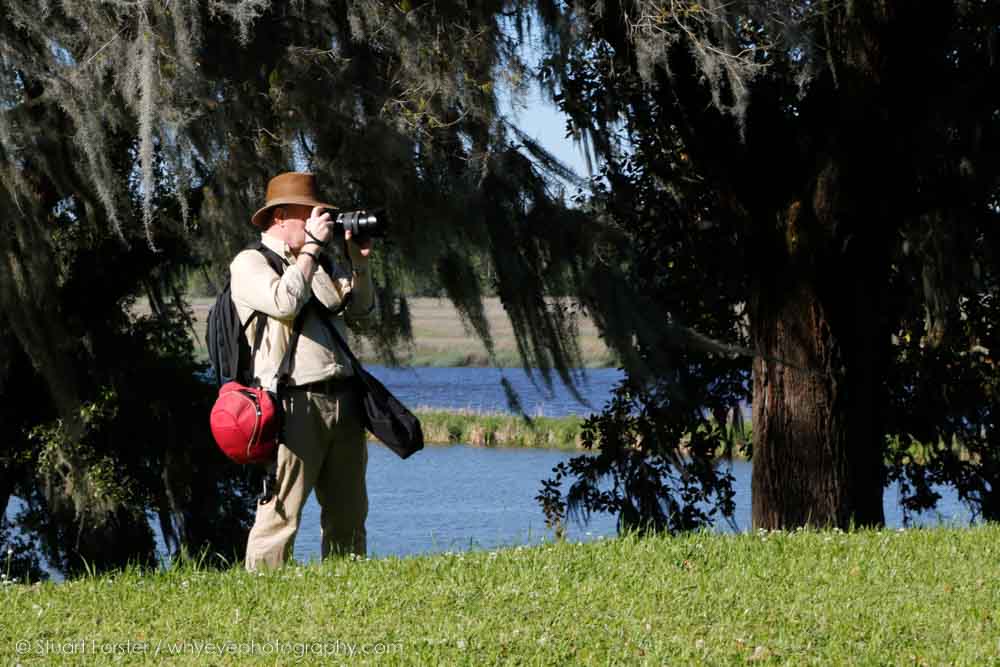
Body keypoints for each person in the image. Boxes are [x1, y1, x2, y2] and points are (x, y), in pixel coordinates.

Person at [230, 172, 377, 571]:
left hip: (343, 399)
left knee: (349, 514)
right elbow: (284, 302)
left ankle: (347, 591)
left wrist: (358, 264)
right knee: (280, 515)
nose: (321, 221)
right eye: (310, 214)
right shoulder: (250, 263)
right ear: (280, 216)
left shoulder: (318, 262)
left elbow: (361, 310)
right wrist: (311, 249)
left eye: (324, 215)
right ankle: (263, 599)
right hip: (292, 404)